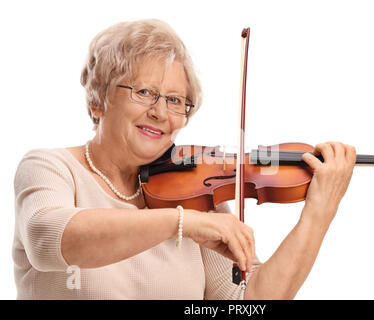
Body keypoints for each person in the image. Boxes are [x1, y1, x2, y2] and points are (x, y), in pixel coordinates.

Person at [12, 19, 356, 300]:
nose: (161, 112)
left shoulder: (193, 193)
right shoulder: (51, 168)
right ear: (98, 102)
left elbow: (248, 305)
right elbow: (48, 240)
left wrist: (320, 210)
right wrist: (182, 223)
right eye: (144, 92)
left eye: (176, 100)